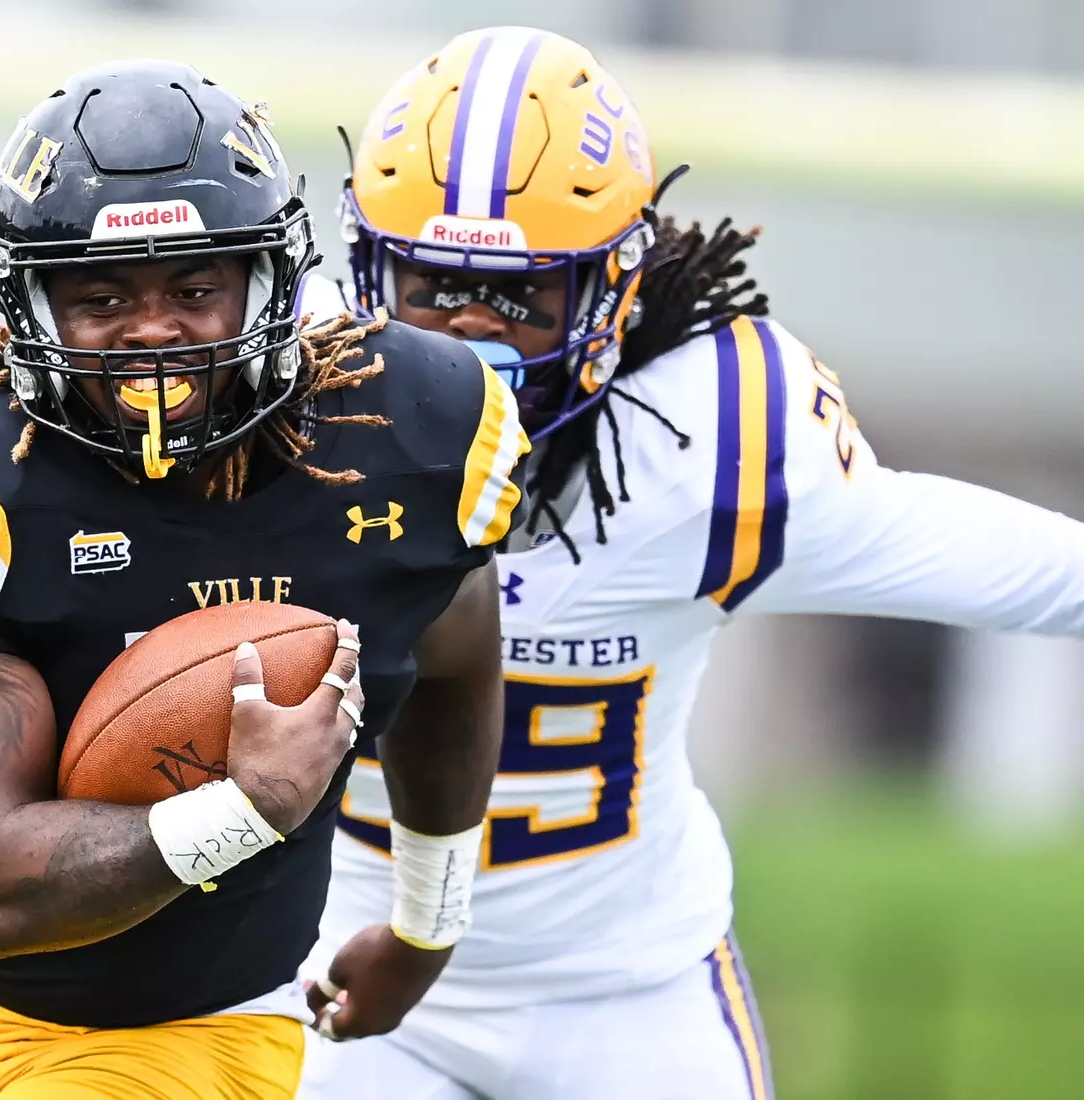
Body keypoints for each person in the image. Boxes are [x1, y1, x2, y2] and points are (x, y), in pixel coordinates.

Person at [298, 26, 1084, 1100]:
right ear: (367, 270)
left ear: (613, 291)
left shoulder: (709, 442)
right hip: (332, 970)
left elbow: (1016, 566)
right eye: (434, 285)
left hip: (625, 991)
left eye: (521, 299)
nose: (467, 338)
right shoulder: (278, 412)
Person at [0, 59, 531, 1100]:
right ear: (29, 301)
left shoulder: (405, 435)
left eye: (195, 288)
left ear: (270, 280)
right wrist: (248, 805)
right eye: (101, 296)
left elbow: (453, 659)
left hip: (196, 1031)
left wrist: (428, 919)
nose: (152, 330)